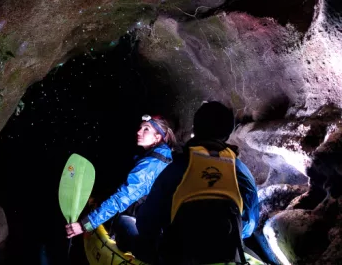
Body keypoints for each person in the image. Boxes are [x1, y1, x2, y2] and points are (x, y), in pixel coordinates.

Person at [136, 102, 260, 264]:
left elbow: (146, 224)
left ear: (195, 129)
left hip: (180, 259)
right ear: (227, 134)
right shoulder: (242, 172)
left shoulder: (177, 168)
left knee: (126, 225)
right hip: (226, 257)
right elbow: (249, 227)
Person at [65, 114, 175, 252]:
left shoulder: (151, 164)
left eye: (146, 129)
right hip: (154, 223)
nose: (138, 132)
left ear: (157, 137)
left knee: (120, 220)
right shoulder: (159, 157)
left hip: (149, 231)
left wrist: (84, 225)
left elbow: (122, 198)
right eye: (140, 128)